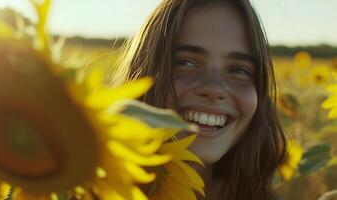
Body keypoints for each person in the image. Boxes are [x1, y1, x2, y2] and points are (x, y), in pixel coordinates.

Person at [112, 0, 287, 199]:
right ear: (144, 70)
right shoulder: (88, 186)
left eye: (239, 70)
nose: (214, 89)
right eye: (186, 62)